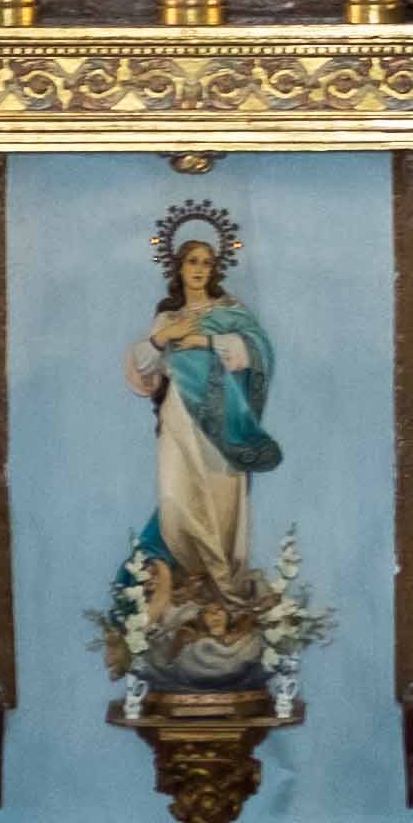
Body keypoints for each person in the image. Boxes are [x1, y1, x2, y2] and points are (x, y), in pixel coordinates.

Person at [125, 222, 279, 613]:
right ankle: (185, 579)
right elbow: (142, 368)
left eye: (207, 263)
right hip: (180, 413)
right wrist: (167, 336)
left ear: (215, 269)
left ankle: (222, 589)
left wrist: (204, 341)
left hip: (222, 417)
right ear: (178, 267)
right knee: (177, 496)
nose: (199, 269)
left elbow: (258, 352)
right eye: (192, 261)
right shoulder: (168, 317)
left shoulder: (229, 312)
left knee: (222, 499)